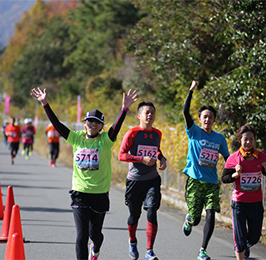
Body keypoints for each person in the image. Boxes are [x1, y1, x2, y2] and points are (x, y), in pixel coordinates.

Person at [31, 87, 137, 260]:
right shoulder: (76, 138)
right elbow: (57, 125)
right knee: (81, 237)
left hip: (100, 194)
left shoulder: (106, 140)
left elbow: (116, 128)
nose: (92, 124)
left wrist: (124, 109)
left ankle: (96, 248)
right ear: (85, 122)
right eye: (89, 121)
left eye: (96, 122)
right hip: (80, 193)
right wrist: (45, 104)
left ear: (101, 126)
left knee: (95, 235)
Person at [182, 80, 230, 260]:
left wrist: (235, 170)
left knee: (210, 214)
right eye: (205, 117)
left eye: (211, 117)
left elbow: (227, 159)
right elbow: (185, 111)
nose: (208, 120)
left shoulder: (219, 139)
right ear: (200, 119)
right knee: (195, 219)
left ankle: (203, 250)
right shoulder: (193, 131)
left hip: (211, 183)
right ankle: (189, 219)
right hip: (194, 180)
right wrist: (191, 90)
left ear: (214, 120)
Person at [118, 101, 167, 260]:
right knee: (134, 216)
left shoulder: (157, 133)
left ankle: (149, 251)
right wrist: (141, 159)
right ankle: (132, 241)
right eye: (147, 112)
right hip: (135, 181)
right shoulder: (132, 133)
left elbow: (156, 150)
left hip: (152, 179)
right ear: (139, 115)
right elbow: (122, 155)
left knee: (152, 211)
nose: (150, 115)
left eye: (152, 112)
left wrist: (162, 158)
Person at [222, 125, 266, 260]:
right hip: (239, 203)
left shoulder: (261, 156)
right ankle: (241, 250)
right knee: (240, 237)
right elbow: (224, 179)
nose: (248, 142)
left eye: (251, 139)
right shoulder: (233, 159)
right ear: (240, 140)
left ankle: (246, 245)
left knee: (255, 236)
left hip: (256, 202)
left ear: (254, 141)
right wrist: (235, 175)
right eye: (245, 139)